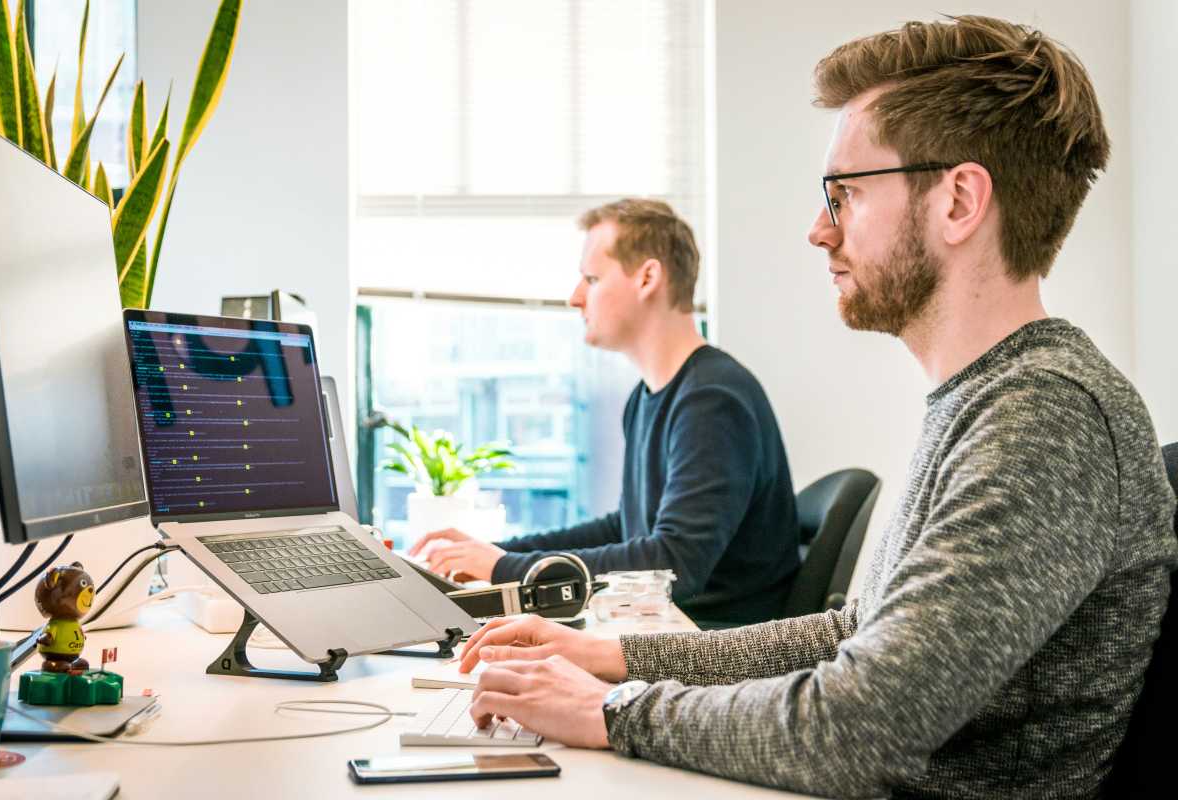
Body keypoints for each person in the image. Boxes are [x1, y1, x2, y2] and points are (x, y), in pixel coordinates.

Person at [448, 16, 1178, 798]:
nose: (818, 230)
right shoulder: (987, 399)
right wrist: (614, 657)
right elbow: (852, 635)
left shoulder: (1045, 417)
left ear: (959, 200)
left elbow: (856, 726)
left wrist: (613, 710)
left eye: (845, 194)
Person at [410, 199, 800, 625]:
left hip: (711, 646)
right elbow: (626, 528)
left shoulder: (712, 401)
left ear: (648, 278)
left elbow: (672, 565)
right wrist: (501, 553)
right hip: (668, 630)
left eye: (592, 279)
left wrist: (505, 569)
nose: (575, 298)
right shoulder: (650, 397)